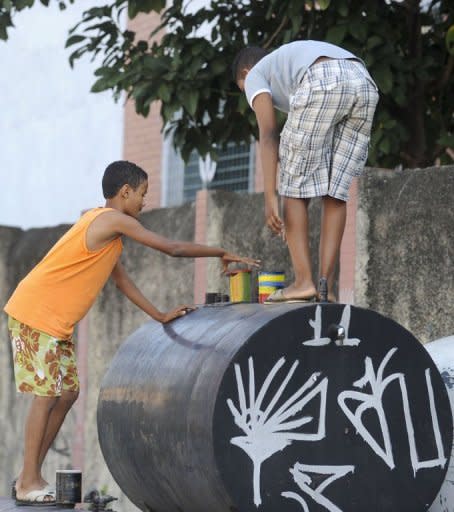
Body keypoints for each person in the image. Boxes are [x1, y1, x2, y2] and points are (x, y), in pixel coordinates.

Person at [4, 160, 260, 506]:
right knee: (47, 395)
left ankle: (27, 475)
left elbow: (122, 281)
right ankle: (29, 480)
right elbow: (172, 248)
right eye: (142, 194)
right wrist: (219, 252)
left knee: (67, 394)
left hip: (55, 323)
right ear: (125, 192)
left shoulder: (107, 231)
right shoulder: (110, 220)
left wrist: (160, 315)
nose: (145, 202)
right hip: (36, 314)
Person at [232, 40, 379, 303]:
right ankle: (326, 289)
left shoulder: (255, 74)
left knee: (292, 182)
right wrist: (294, 215)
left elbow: (268, 134)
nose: (250, 97)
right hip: (364, 82)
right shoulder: (289, 70)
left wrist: (270, 198)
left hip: (323, 79)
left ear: (244, 74)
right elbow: (313, 164)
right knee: (335, 192)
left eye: (244, 91)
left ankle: (302, 282)